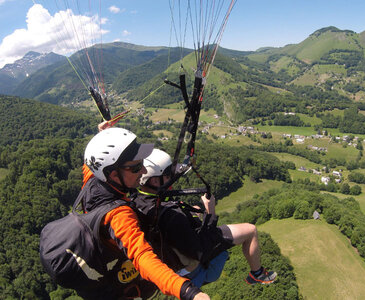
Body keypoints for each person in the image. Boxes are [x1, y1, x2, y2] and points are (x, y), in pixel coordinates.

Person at [81, 127, 210, 300]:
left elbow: (91, 164)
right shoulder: (118, 216)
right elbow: (142, 257)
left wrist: (104, 134)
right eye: (136, 167)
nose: (143, 171)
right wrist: (187, 291)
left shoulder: (93, 181)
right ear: (113, 174)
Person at [134, 148, 278, 287]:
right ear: (154, 181)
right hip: (197, 271)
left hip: (171, 256)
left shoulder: (138, 200)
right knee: (250, 230)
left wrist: (189, 214)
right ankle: (257, 274)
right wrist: (210, 212)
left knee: (196, 210)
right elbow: (200, 250)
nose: (172, 179)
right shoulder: (172, 216)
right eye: (167, 176)